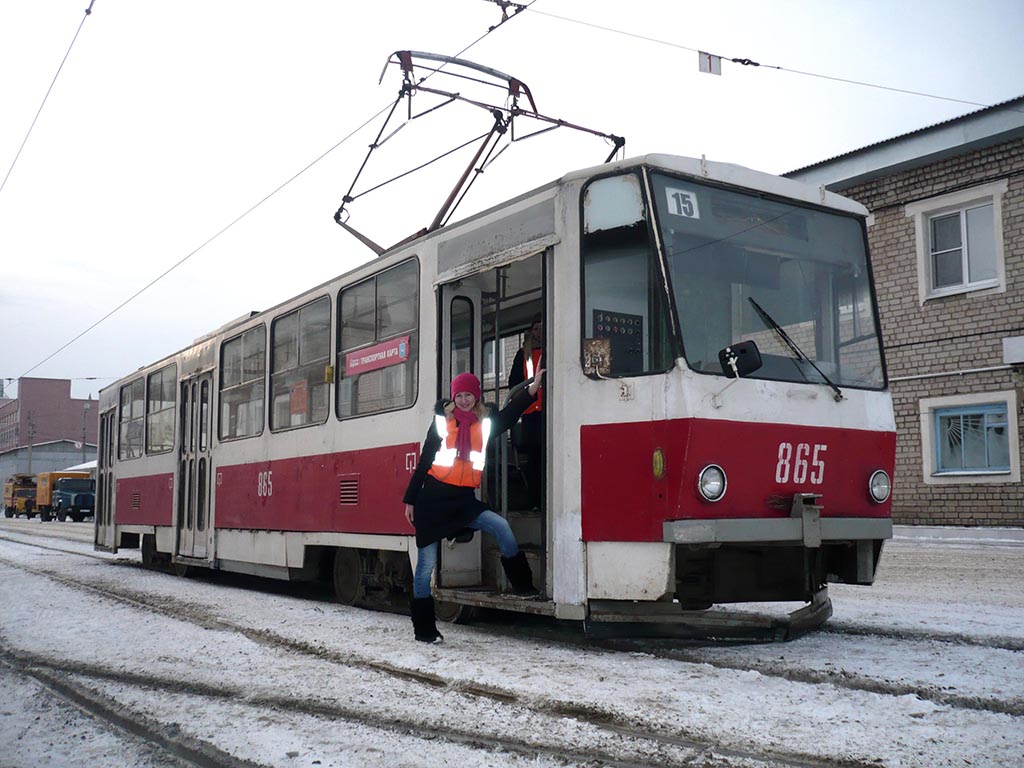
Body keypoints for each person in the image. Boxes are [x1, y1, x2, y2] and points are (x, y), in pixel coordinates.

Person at [403, 370, 545, 643]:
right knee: (426, 567)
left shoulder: (486, 423)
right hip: (432, 500)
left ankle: (523, 586)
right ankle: (424, 630)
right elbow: (424, 461)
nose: (464, 400)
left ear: (476, 396)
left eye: (469, 395)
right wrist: (410, 499)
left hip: (463, 500)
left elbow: (510, 414)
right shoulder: (442, 423)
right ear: (453, 397)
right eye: (459, 395)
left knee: (501, 526)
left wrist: (532, 389)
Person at [508, 313, 544, 511]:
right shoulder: (523, 354)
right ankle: (534, 502)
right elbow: (513, 382)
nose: (539, 332)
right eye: (536, 328)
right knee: (533, 460)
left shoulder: (551, 351)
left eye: (541, 328)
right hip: (530, 412)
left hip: (549, 411)